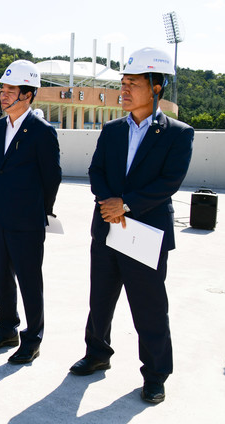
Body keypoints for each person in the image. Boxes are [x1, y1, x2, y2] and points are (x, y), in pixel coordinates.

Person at [68, 47, 194, 404]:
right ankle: (97, 353)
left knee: (149, 307)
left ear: (156, 87)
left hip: (145, 233)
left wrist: (125, 204)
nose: (123, 89)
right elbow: (96, 170)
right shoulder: (111, 130)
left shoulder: (178, 133)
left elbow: (169, 181)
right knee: (100, 299)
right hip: (108, 228)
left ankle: (155, 375)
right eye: (122, 83)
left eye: (132, 83)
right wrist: (108, 203)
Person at [0, 60, 62, 364]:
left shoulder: (42, 132)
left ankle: (33, 338)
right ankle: (6, 329)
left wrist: (41, 211)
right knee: (2, 277)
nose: (3, 95)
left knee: (29, 281)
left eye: (10, 90)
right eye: (2, 89)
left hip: (27, 220)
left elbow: (52, 177)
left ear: (27, 94)